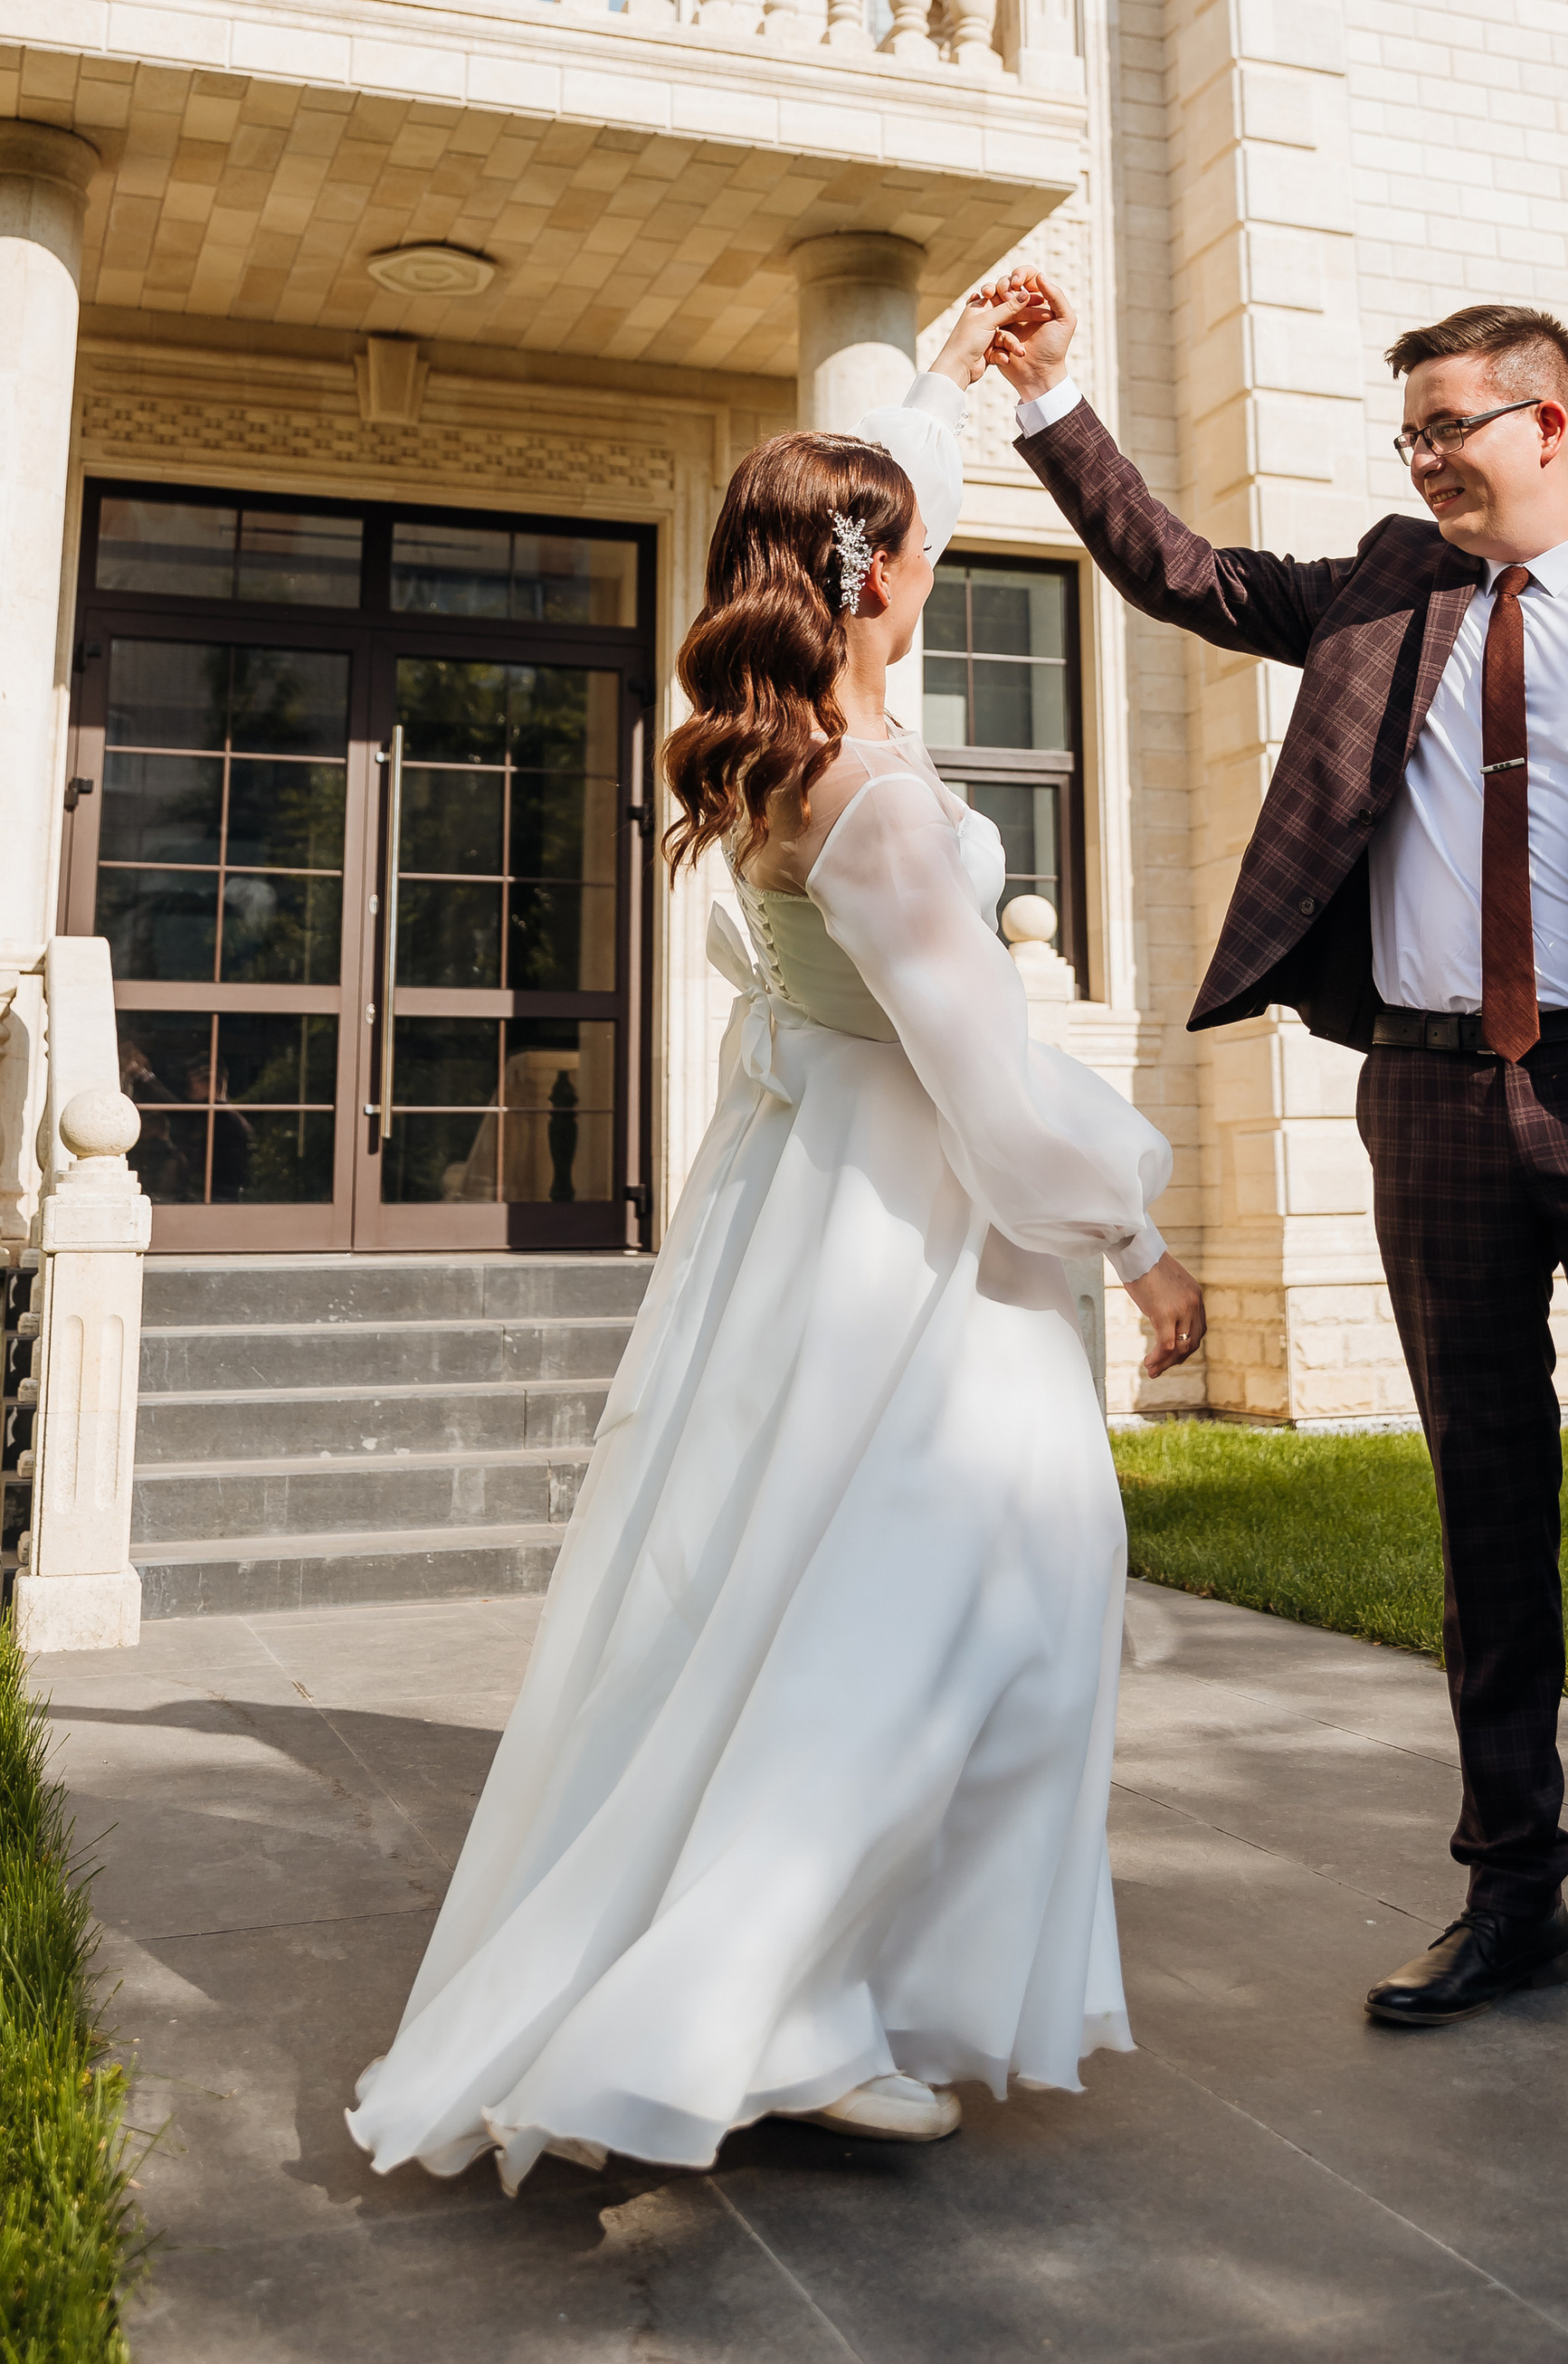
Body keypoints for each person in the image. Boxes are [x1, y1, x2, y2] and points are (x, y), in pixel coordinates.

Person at [987, 275, 1568, 2116]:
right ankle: (1510, 1905)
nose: (1420, 462)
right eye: (1404, 438)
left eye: (1445, 430)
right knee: (1483, 1515)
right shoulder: (1385, 588)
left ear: (1542, 427)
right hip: (1428, 1100)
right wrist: (1054, 397)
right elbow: (1179, 573)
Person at [347, 289, 1203, 2188]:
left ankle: (836, 1988)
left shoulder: (762, 744)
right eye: (917, 534)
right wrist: (1135, 1236)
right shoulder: (874, 795)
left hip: (814, 1216)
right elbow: (986, 1074)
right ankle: (767, 2003)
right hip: (911, 1256)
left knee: (825, 1603)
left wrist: (947, 384)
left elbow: (888, 497)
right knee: (968, 1612)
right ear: (868, 569)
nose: (942, 549)